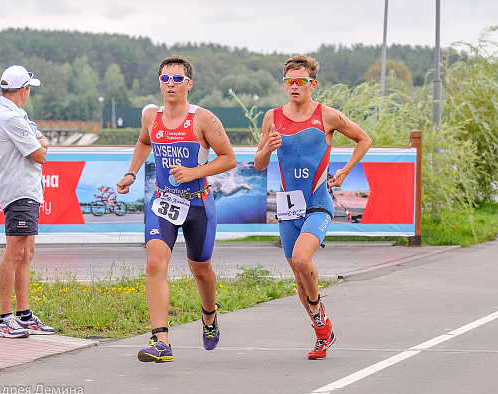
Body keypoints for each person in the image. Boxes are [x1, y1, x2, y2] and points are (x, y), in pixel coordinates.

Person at [116, 55, 236, 363]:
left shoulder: (203, 119)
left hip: (198, 205)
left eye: (177, 79)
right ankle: (161, 340)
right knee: (155, 263)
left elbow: (228, 158)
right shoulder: (150, 117)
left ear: (189, 84)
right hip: (163, 203)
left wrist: (194, 172)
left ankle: (209, 316)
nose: (170, 84)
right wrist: (132, 172)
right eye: (165, 79)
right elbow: (144, 142)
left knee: (201, 270)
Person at [254, 55, 371, 359]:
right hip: (288, 207)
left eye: (300, 81)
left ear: (312, 84)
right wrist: (268, 147)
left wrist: (345, 171)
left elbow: (364, 139)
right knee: (297, 271)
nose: (294, 86)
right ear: (284, 84)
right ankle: (322, 333)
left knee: (303, 260)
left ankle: (320, 316)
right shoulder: (272, 117)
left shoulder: (327, 116)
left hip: (318, 202)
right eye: (289, 81)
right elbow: (258, 164)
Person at [0, 65, 56, 338]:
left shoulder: (11, 113)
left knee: (26, 253)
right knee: (15, 253)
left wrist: (40, 141)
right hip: (19, 191)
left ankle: (23, 314)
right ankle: (4, 317)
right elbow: (40, 154)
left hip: (25, 190)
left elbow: (39, 145)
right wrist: (41, 141)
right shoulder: (12, 118)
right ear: (23, 90)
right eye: (29, 88)